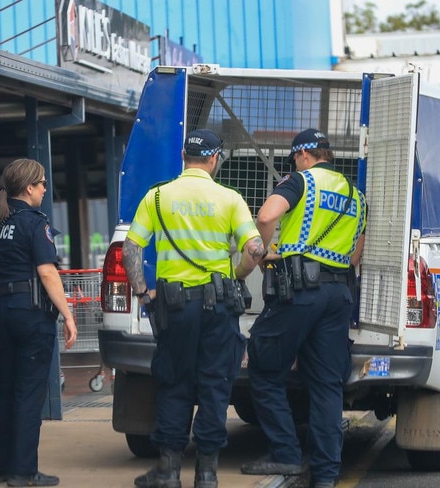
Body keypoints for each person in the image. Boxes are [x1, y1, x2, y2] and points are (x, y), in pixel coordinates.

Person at [123, 129, 264, 488]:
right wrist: (237, 275)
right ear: (214, 159)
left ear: (184, 157)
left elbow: (130, 249)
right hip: (218, 307)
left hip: (174, 307)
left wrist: (143, 294)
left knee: (174, 383)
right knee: (215, 385)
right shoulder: (229, 198)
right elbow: (255, 248)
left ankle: (169, 471)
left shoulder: (157, 197)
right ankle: (207, 474)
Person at [240, 129, 367, 488]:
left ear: (303, 155)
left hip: (299, 291)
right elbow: (355, 254)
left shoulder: (301, 182)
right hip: (338, 293)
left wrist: (264, 251)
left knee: (264, 366)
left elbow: (266, 217)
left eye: (294, 158)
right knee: (327, 384)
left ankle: (286, 454)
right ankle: (326, 475)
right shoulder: (356, 196)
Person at [0, 158, 77, 487]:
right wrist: (67, 314)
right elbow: (47, 272)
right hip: (29, 314)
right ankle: (23, 472)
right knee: (28, 394)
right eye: (43, 183)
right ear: (29, 187)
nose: (46, 189)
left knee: (4, 391)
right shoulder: (35, 223)